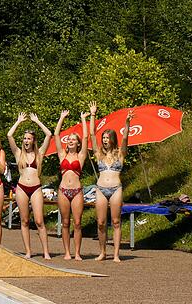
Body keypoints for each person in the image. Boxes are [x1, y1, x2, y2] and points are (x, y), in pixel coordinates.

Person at [90, 102, 133, 262]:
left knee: (116, 221)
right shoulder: (98, 154)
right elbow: (93, 136)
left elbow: (126, 138)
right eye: (104, 138)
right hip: (101, 188)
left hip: (116, 188)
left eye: (107, 138)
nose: (105, 140)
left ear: (113, 139)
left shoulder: (120, 154)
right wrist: (93, 114)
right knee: (101, 222)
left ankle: (116, 254)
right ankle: (102, 252)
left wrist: (127, 123)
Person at [7, 112, 53, 259]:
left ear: (33, 141)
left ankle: (46, 251)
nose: (26, 141)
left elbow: (49, 134)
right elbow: (9, 135)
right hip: (21, 187)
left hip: (35, 188)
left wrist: (37, 121)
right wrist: (18, 121)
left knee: (39, 221)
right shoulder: (18, 153)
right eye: (25, 138)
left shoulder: (39, 153)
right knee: (24, 220)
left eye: (29, 138)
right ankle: (28, 251)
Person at [53, 110, 89, 260]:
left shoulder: (81, 156)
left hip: (76, 190)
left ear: (78, 143)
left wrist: (83, 120)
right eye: (69, 139)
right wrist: (61, 118)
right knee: (65, 222)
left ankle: (77, 253)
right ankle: (67, 252)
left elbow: (86, 137)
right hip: (63, 190)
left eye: (73, 139)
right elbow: (56, 135)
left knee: (78, 222)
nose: (70, 141)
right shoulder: (62, 155)